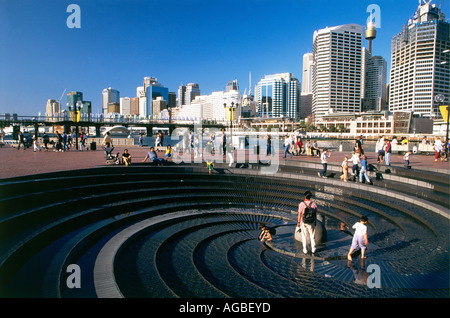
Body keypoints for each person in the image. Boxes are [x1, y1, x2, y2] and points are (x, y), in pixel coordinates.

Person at [297, 190, 318, 255]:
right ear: (310, 197)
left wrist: (298, 223)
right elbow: (315, 213)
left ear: (305, 196)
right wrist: (315, 221)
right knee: (312, 235)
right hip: (311, 221)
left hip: (303, 222)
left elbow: (299, 214)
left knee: (304, 235)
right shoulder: (314, 204)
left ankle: (305, 249)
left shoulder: (301, 204)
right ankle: (313, 249)